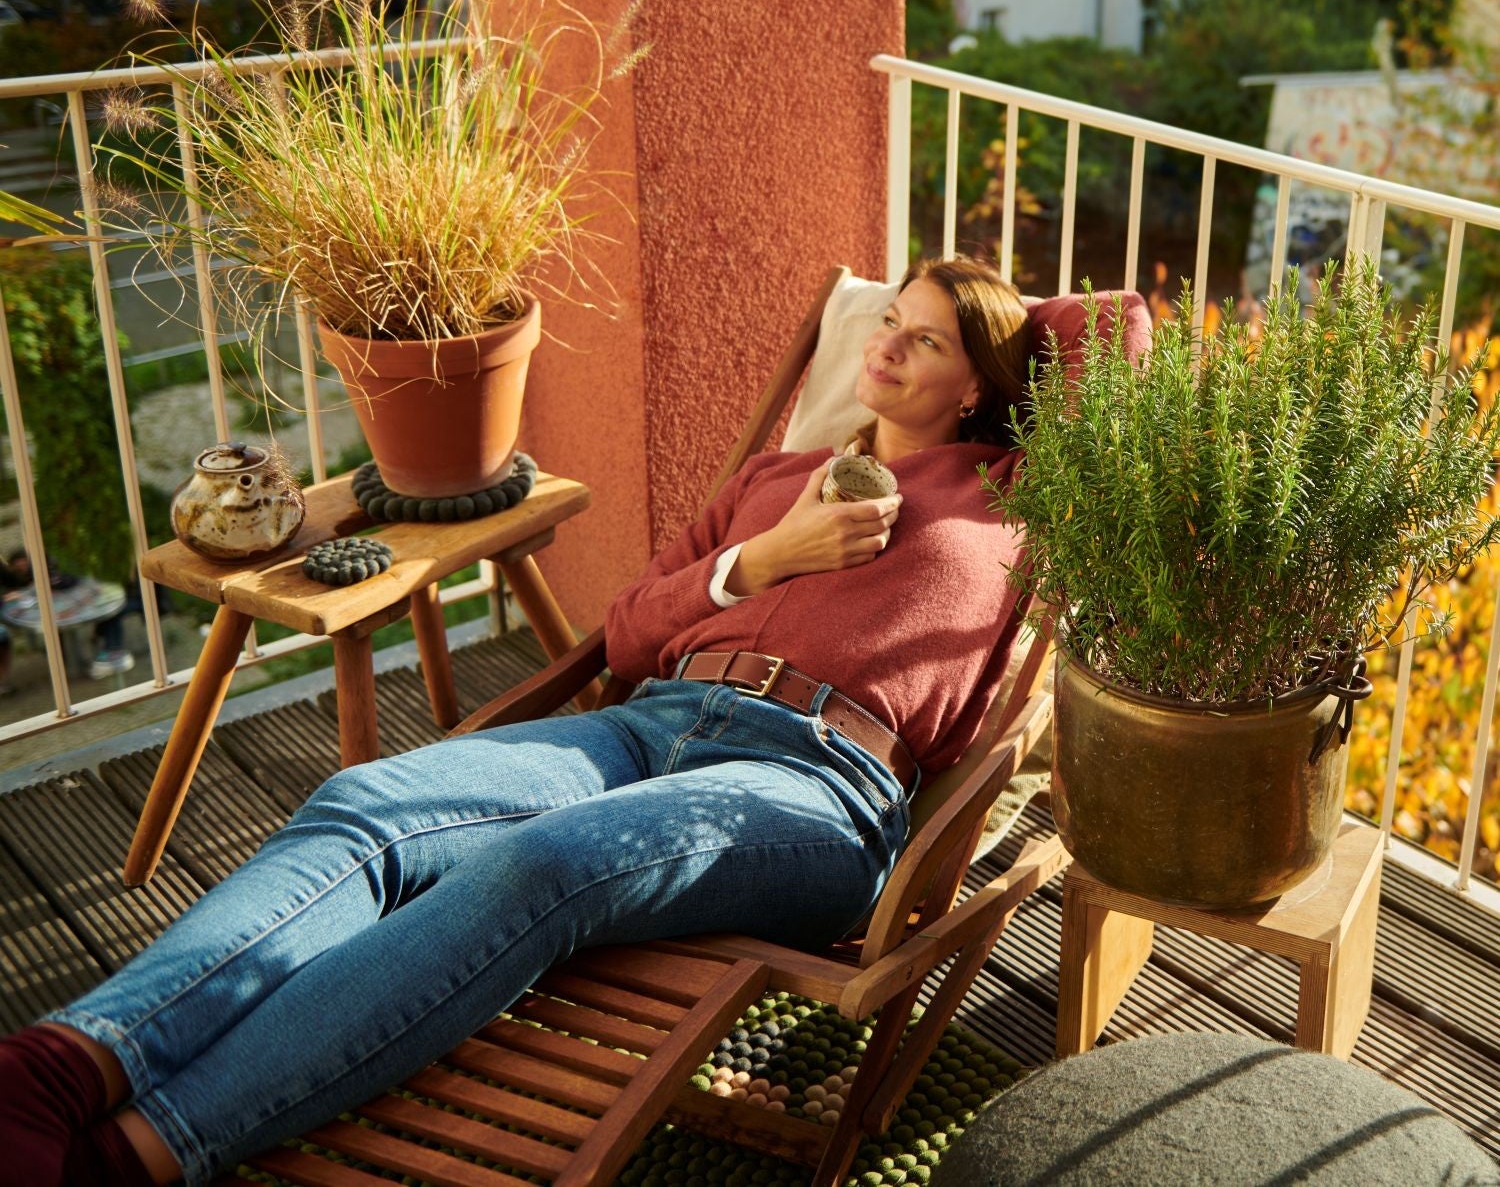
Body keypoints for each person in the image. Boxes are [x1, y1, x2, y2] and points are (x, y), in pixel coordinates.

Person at [0, 255, 1106, 1187]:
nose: (891, 344)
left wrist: (1021, 319)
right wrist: (760, 562)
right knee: (366, 800)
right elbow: (624, 635)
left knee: (540, 865)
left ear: (975, 389)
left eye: (931, 341)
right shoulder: (777, 477)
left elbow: (1125, 332)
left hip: (814, 781)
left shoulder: (1016, 496)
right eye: (891, 320)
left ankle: (136, 1156)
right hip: (650, 722)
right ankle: (62, 1067)